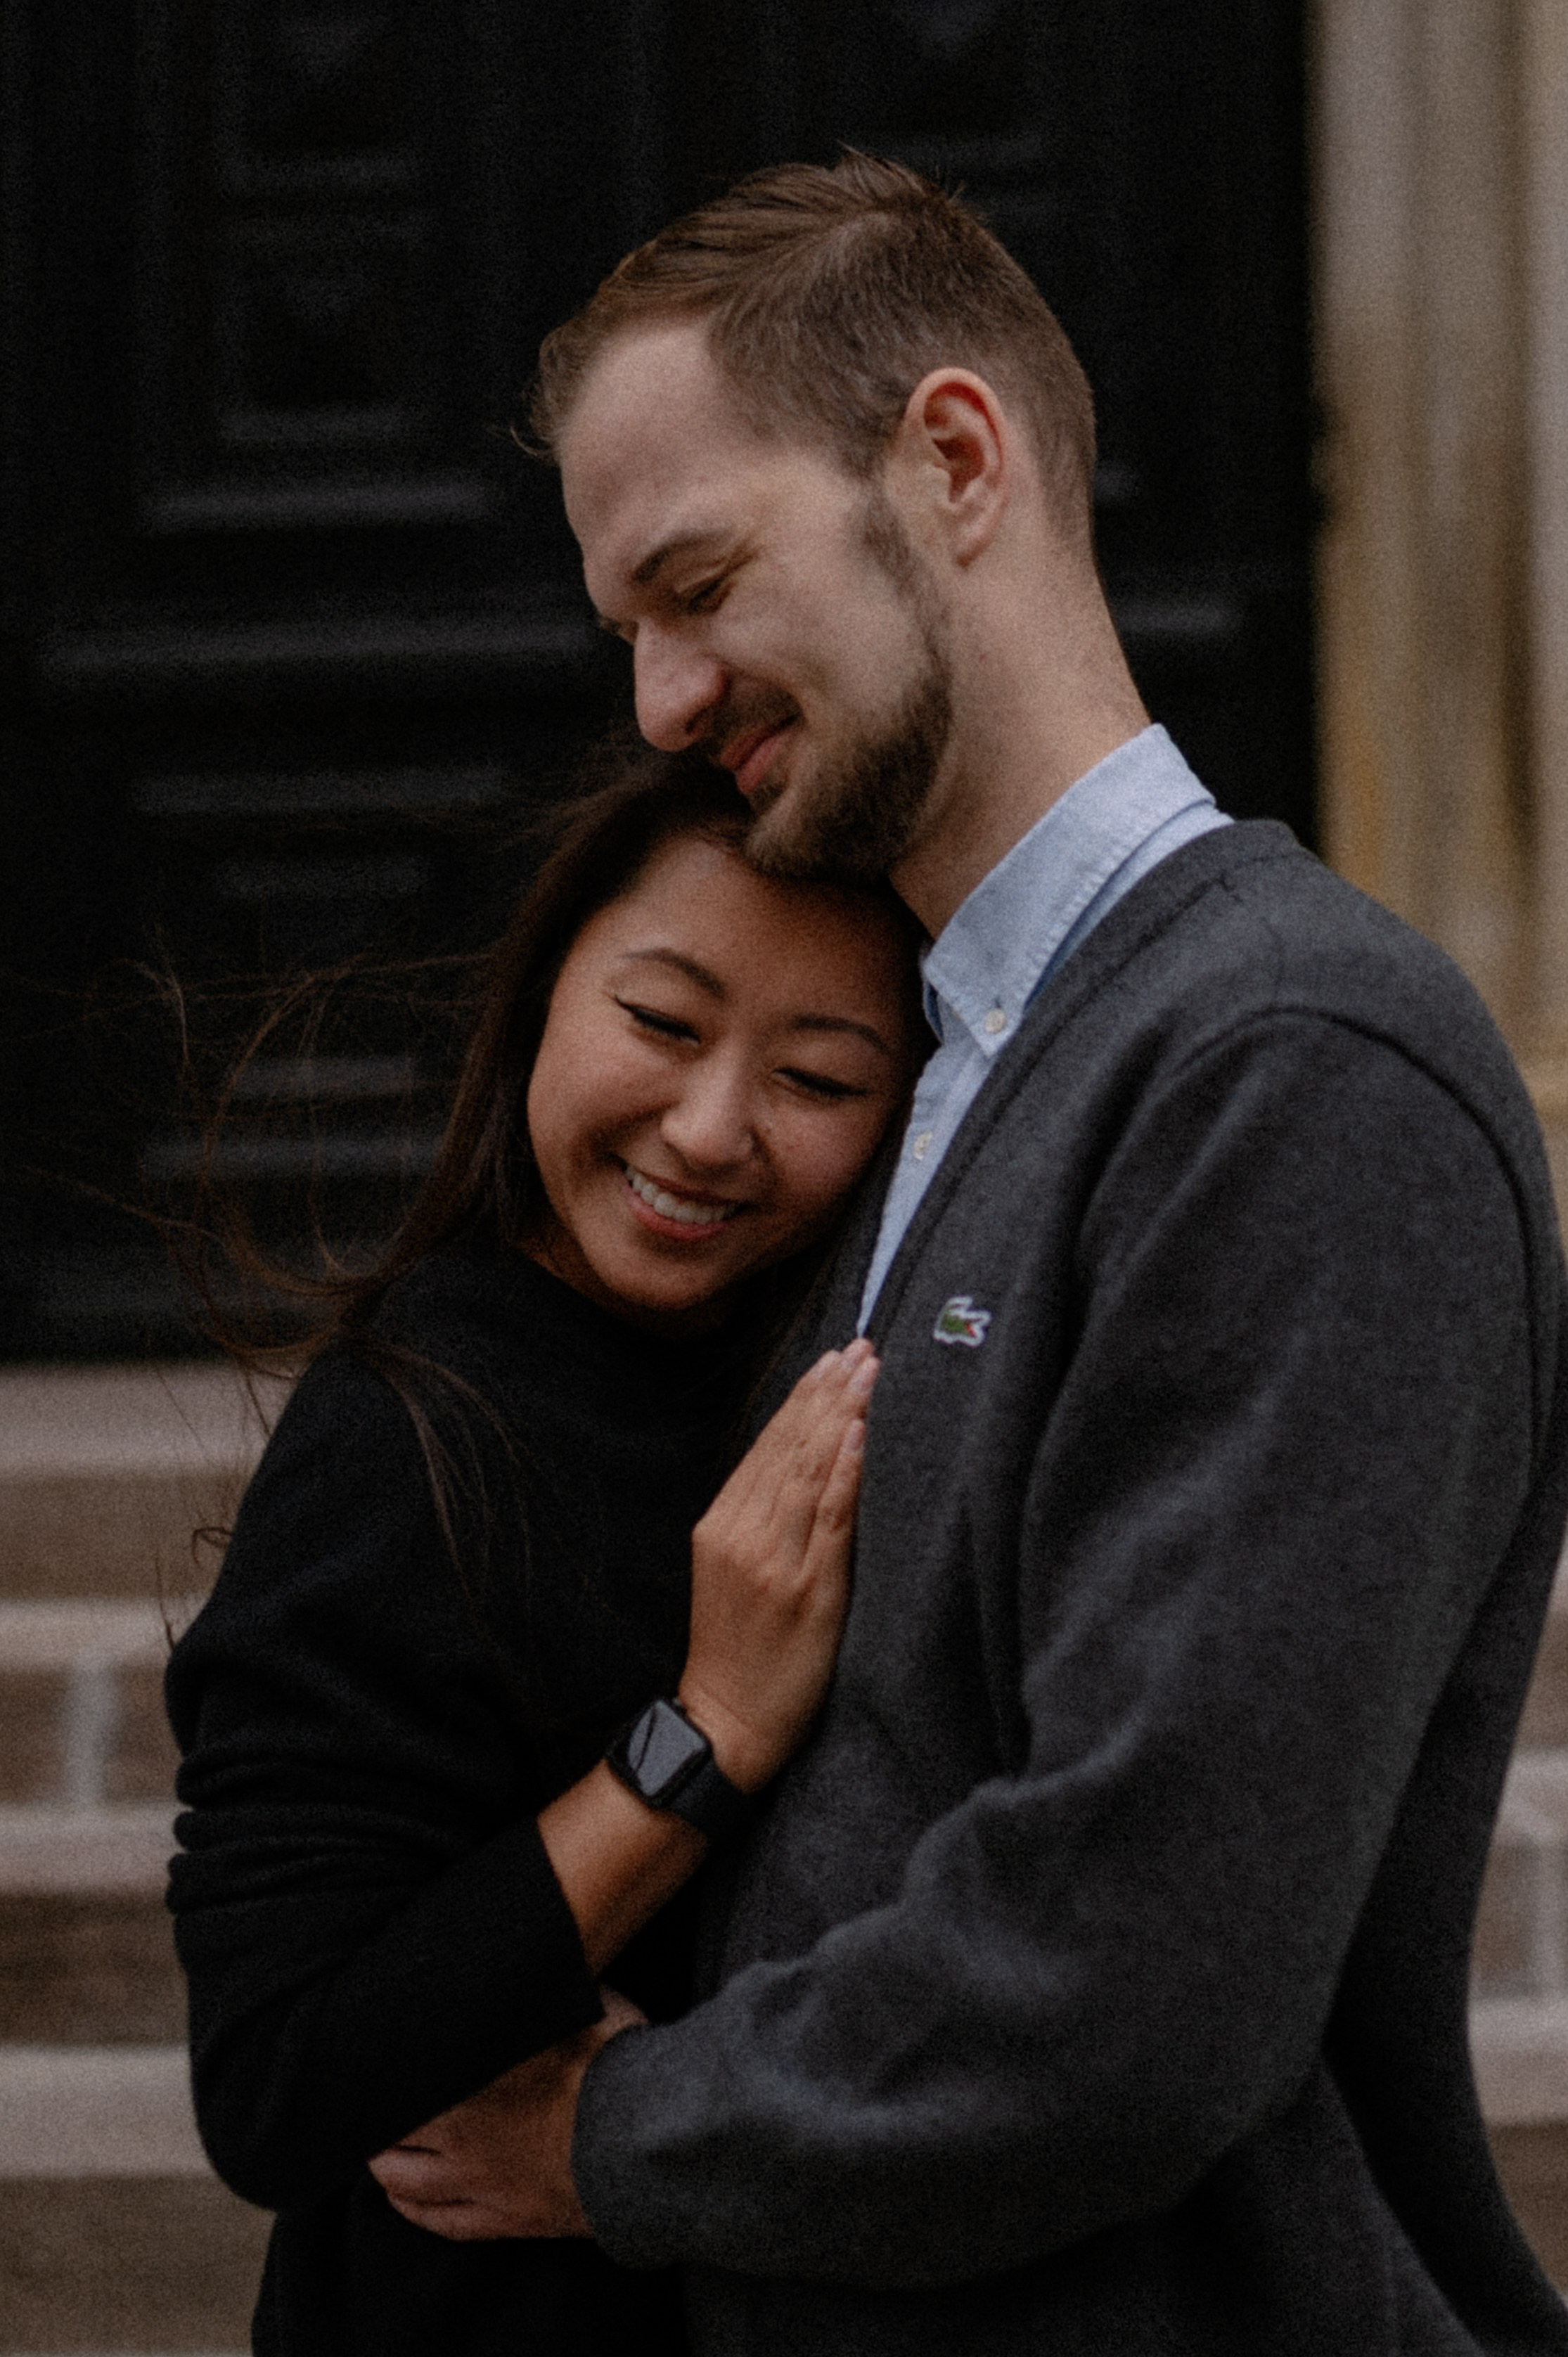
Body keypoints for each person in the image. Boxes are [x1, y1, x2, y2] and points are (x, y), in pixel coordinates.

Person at [372, 155, 1568, 2353]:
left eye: (699, 583)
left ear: (947, 461)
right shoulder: (918, 1082)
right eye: (622, 624)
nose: (653, 702)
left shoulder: (1296, 1068)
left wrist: (619, 2138)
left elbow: (1140, 1964)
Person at [162, 753, 925, 2356]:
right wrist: (701, 1734)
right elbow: (278, 2075)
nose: (710, 1129)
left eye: (821, 1077)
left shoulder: (840, 1377)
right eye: (659, 1022)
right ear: (540, 999)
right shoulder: (403, 1433)